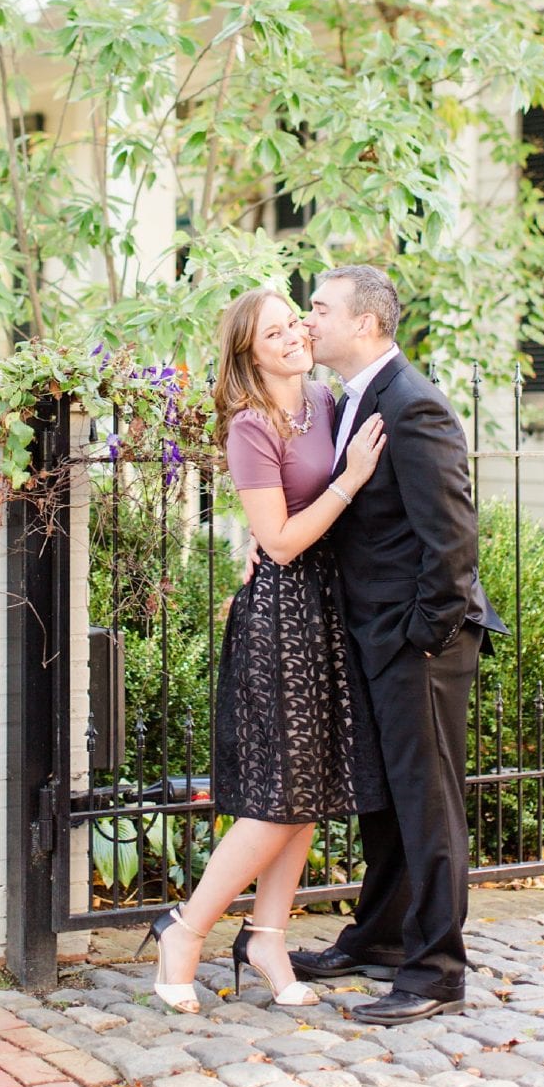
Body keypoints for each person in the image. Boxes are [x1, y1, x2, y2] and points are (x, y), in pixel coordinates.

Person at [138, 286, 388, 1012]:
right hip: (279, 615)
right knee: (277, 798)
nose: (291, 337)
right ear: (248, 351)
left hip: (327, 609)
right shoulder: (250, 426)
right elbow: (277, 542)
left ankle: (268, 935)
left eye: (294, 324)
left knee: (306, 794)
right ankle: (185, 930)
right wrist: (347, 484)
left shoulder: (329, 402)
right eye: (273, 332)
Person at [286, 264, 508, 1024]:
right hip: (370, 634)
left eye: (318, 307)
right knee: (384, 798)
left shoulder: (414, 407)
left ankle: (437, 970)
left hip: (418, 644)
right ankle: (378, 938)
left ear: (367, 323)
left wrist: (425, 635)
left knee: (427, 802)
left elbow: (451, 539)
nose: (305, 319)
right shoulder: (348, 401)